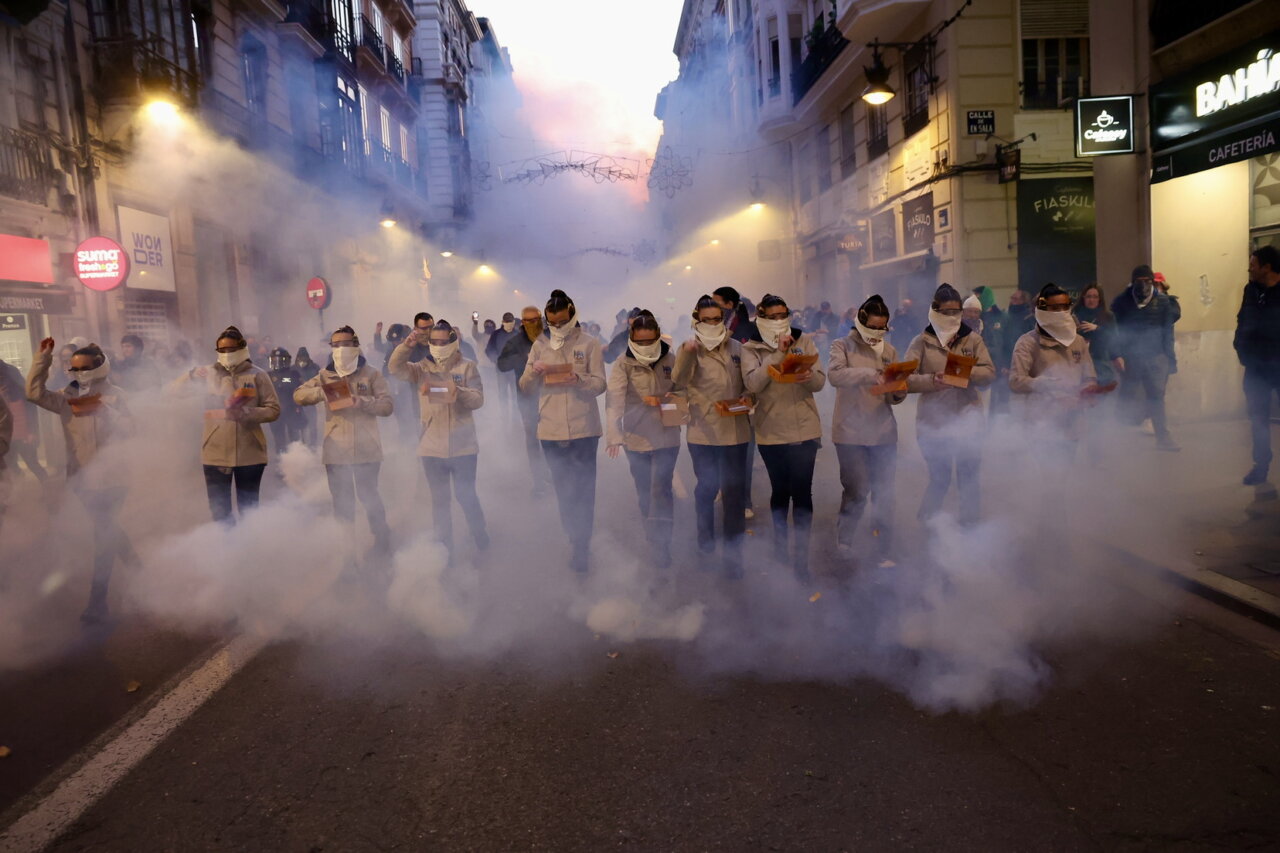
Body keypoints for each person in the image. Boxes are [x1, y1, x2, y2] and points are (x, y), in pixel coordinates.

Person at [27, 339, 133, 623]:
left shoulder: (117, 395)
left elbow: (132, 428)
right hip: (81, 478)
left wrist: (107, 412)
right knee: (107, 528)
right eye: (74, 368)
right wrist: (42, 358)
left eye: (84, 368)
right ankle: (137, 567)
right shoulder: (65, 396)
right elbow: (33, 393)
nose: (79, 373)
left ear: (100, 366)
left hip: (113, 477)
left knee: (103, 534)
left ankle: (97, 602)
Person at [518, 289, 606, 574]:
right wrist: (534, 371)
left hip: (584, 428)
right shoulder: (540, 345)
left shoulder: (589, 344)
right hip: (551, 430)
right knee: (564, 488)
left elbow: (599, 384)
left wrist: (577, 379)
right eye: (552, 323)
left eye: (562, 321)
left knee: (584, 488)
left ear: (572, 315)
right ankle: (572, 533)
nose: (557, 327)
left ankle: (583, 544)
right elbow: (524, 386)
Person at [741, 293, 826, 580]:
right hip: (771, 431)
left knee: (802, 492)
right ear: (761, 316)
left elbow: (820, 381)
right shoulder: (751, 347)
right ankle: (780, 552)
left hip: (805, 428)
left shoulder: (803, 340)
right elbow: (752, 382)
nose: (779, 321)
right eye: (773, 316)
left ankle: (801, 558)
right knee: (780, 492)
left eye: (783, 315)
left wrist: (808, 377)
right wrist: (778, 354)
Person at [390, 319, 488, 562]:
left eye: (443, 342)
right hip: (431, 446)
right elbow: (395, 368)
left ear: (453, 342)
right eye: (434, 341)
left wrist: (458, 392)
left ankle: (481, 537)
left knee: (466, 496)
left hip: (463, 445)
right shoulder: (420, 368)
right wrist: (406, 345)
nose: (438, 345)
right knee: (440, 501)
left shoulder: (468, 367)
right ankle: (445, 550)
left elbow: (478, 400)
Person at [295, 326, 394, 558]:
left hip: (366, 449)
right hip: (335, 450)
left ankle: (382, 538)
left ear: (355, 345)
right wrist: (323, 392)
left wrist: (363, 401)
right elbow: (299, 395)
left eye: (345, 344)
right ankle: (347, 549)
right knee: (342, 503)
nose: (341, 349)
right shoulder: (324, 375)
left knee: (369, 496)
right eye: (336, 345)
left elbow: (387, 406)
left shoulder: (371, 374)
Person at [673, 295, 751, 576]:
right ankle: (705, 540)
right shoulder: (689, 348)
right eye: (706, 320)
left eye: (716, 319)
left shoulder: (737, 348)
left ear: (723, 319)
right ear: (697, 321)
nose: (712, 324)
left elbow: (748, 383)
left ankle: (734, 551)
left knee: (734, 492)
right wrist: (687, 353)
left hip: (735, 429)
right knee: (707, 486)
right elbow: (679, 380)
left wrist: (748, 398)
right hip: (702, 432)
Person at [905, 283, 996, 525]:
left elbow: (988, 372)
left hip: (969, 421)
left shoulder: (972, 340)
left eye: (956, 311)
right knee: (940, 478)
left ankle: (970, 530)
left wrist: (966, 373)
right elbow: (904, 380)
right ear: (935, 311)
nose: (952, 316)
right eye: (946, 311)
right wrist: (932, 380)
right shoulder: (921, 342)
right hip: (933, 423)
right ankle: (927, 522)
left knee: (968, 478)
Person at [174, 326, 280, 523]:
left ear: (242, 349)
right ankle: (227, 548)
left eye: (231, 349)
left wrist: (248, 413)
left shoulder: (258, 375)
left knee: (249, 511)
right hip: (215, 453)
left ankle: (250, 550)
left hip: (250, 454)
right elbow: (172, 393)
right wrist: (190, 375)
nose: (226, 354)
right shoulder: (207, 374)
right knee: (219, 512)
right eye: (221, 350)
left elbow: (273, 409)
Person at [828, 295, 904, 567]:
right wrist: (870, 373)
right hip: (850, 432)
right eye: (873, 327)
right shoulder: (842, 345)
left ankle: (883, 545)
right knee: (857, 489)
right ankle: (845, 540)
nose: (877, 333)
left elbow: (895, 395)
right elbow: (835, 375)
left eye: (882, 328)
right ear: (860, 321)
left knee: (884, 492)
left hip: (883, 431)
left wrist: (898, 390)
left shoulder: (890, 351)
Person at [606, 312, 682, 568]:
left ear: (658, 337)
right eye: (641, 342)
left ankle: (664, 544)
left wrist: (671, 398)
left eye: (651, 341)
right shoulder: (622, 364)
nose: (646, 347)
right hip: (636, 438)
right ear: (632, 339)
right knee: (644, 490)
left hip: (667, 436)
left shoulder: (671, 358)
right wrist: (614, 434)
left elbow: (684, 389)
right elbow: (614, 400)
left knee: (662, 488)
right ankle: (652, 535)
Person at [1009, 284, 1098, 456]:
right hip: (1042, 421)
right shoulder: (1027, 343)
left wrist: (1089, 391)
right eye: (1055, 308)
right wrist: (1043, 384)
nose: (1062, 312)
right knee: (1049, 476)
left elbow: (1089, 375)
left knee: (1068, 474)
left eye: (1065, 307)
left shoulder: (1078, 341)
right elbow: (1016, 381)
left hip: (1072, 419)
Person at [1112, 264, 1181, 451]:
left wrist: (1170, 359)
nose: (1143, 285)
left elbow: (1168, 332)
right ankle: (1118, 439)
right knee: (1127, 396)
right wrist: (1116, 354)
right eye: (1139, 281)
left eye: (1147, 281)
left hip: (1155, 356)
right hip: (1131, 356)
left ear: (1153, 281)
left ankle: (1163, 438)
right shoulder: (1122, 301)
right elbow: (1115, 330)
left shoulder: (1164, 302)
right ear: (1132, 282)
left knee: (1156, 397)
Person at [1235, 245, 1280, 485]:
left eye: (1253, 265)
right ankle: (1260, 466)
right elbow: (1242, 319)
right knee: (1258, 419)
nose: (1249, 269)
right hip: (1256, 367)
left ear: (1267, 267)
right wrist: (1241, 349)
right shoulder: (1250, 290)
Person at [498, 306, 552, 495]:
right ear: (522, 322)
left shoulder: (550, 339)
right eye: (528, 321)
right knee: (531, 437)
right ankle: (538, 479)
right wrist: (523, 359)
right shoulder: (515, 342)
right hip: (526, 396)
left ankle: (552, 473)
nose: (532, 324)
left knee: (551, 436)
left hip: (551, 395)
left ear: (542, 320)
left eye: (535, 320)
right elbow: (501, 364)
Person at [0, 357, 47, 481]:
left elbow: (30, 409)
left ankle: (50, 491)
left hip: (23, 433)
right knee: (10, 465)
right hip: (8, 436)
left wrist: (32, 431)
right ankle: (18, 492)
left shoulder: (17, 387)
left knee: (32, 463)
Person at [1073, 283, 1121, 386]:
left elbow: (1114, 338)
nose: (1091, 300)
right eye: (1089, 297)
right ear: (1083, 298)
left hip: (1101, 361)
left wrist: (1097, 329)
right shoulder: (1074, 315)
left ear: (1100, 299)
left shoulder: (1108, 316)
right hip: (1079, 362)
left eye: (1095, 297)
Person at [266, 347, 306, 457]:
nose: (277, 363)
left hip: (292, 410)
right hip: (276, 412)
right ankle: (282, 464)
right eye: (274, 360)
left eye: (280, 360)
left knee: (294, 438)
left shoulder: (294, 374)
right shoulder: (268, 375)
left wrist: (299, 407)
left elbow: (300, 391)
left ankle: (296, 460)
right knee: (279, 439)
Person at [485, 312, 520, 421]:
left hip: (515, 370)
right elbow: (489, 349)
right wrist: (495, 359)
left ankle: (515, 415)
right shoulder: (496, 334)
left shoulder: (518, 334)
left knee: (516, 394)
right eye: (507, 321)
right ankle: (504, 415)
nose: (509, 324)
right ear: (503, 322)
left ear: (513, 322)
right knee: (503, 393)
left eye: (511, 321)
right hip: (501, 369)